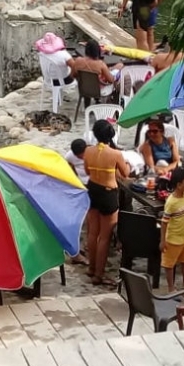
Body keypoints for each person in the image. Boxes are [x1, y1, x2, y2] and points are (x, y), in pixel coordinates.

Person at [83, 120, 130, 286]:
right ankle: (98, 274)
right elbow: (125, 174)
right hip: (108, 193)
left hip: (92, 189)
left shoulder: (88, 151)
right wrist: (127, 166)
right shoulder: (116, 154)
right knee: (104, 237)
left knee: (92, 233)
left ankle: (91, 268)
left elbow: (88, 171)